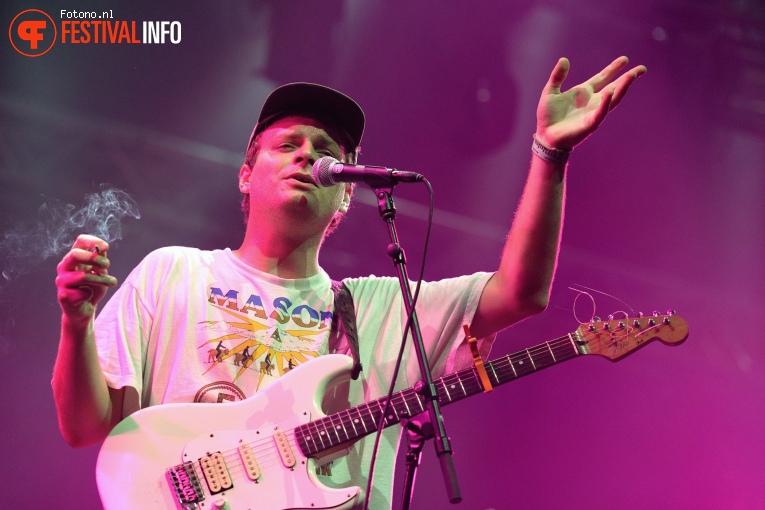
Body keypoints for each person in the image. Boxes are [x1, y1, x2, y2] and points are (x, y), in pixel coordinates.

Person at [53, 56, 646, 508]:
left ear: (345, 196)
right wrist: (77, 323)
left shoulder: (378, 308)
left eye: (325, 152)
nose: (306, 156)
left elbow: (521, 294)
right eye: (287, 145)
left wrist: (549, 153)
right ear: (245, 175)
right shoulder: (173, 272)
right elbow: (85, 428)